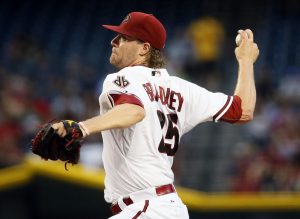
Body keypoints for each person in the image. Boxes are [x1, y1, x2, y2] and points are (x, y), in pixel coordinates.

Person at [52, 11, 259, 219]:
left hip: (145, 208)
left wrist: (82, 127)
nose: (114, 41)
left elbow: (134, 110)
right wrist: (246, 60)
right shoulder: (183, 89)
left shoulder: (123, 78)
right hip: (166, 207)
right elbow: (242, 111)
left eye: (124, 37)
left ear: (144, 49)